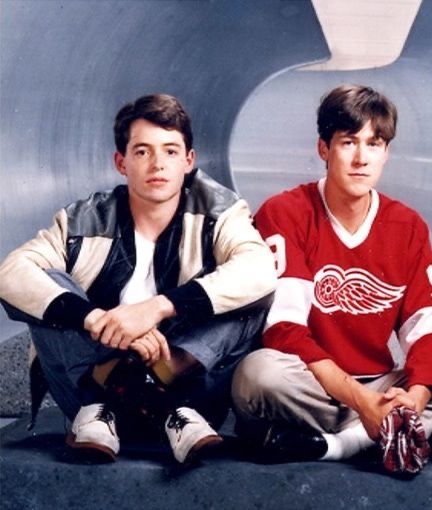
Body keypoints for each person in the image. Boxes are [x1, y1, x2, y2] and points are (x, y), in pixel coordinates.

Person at [231, 84, 432, 473]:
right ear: (324, 149)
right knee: (257, 374)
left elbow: (431, 325)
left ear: (386, 153)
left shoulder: (406, 225)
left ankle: (343, 444)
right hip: (310, 384)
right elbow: (284, 329)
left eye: (373, 144)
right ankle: (407, 432)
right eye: (348, 142)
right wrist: (361, 403)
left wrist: (416, 399)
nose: (361, 158)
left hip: (383, 385)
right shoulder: (285, 211)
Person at [0, 94, 276, 464]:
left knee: (250, 298)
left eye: (171, 151)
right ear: (121, 162)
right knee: (45, 286)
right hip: (88, 399)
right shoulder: (83, 220)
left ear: (189, 161)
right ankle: (132, 402)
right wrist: (96, 319)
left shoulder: (220, 212)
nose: (158, 164)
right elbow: (11, 275)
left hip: (191, 399)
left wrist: (157, 309)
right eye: (143, 151)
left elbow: (259, 270)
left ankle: (164, 399)